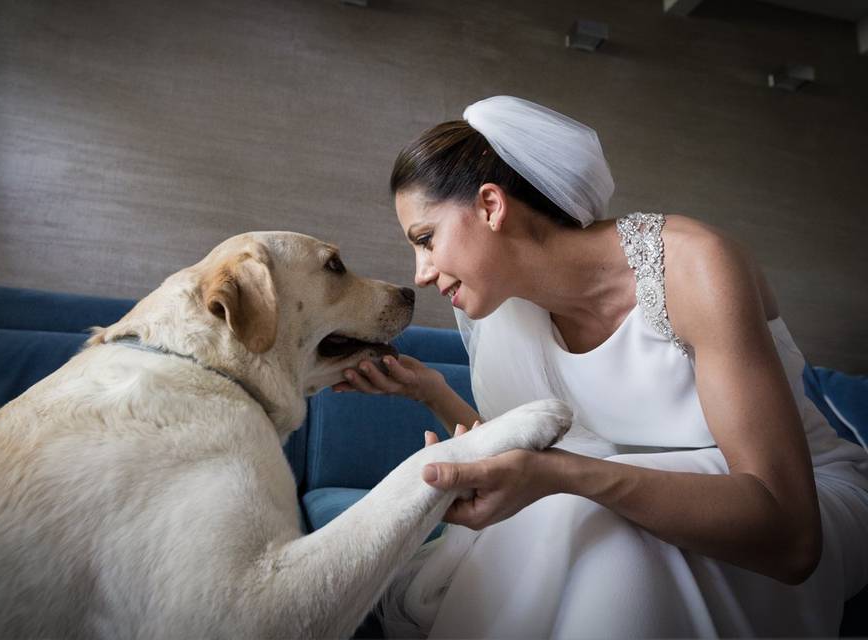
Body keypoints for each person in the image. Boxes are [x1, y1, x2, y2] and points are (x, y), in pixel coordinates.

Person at [334, 96, 868, 637]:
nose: (421, 274)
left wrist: (563, 478)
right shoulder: (511, 316)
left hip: (805, 503)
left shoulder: (694, 267)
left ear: (492, 206)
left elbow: (792, 536)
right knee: (568, 515)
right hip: (646, 495)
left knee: (578, 516)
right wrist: (434, 393)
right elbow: (537, 456)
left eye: (425, 240)